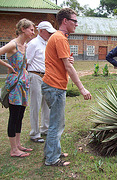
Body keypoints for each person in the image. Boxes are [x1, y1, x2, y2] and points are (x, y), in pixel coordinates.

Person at [42, 8, 92, 166]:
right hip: (55, 86)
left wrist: (67, 62)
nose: (77, 24)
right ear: (65, 21)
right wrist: (82, 89)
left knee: (56, 122)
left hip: (52, 84)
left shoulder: (58, 37)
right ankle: (51, 159)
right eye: (74, 21)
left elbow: (64, 63)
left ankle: (52, 152)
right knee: (56, 124)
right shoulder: (60, 38)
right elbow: (68, 68)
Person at [0, 18, 35, 157]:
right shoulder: (12, 45)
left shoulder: (25, 46)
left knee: (20, 115)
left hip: (23, 84)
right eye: (31, 29)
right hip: (14, 85)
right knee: (14, 116)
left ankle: (18, 144)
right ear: (23, 29)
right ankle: (13, 149)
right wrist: (7, 65)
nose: (33, 32)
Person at [26, 21, 56, 143]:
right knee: (35, 104)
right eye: (48, 32)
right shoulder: (33, 44)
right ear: (41, 31)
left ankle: (45, 129)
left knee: (46, 104)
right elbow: (27, 62)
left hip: (46, 77)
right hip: (35, 76)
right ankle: (35, 133)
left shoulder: (47, 44)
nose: (49, 34)